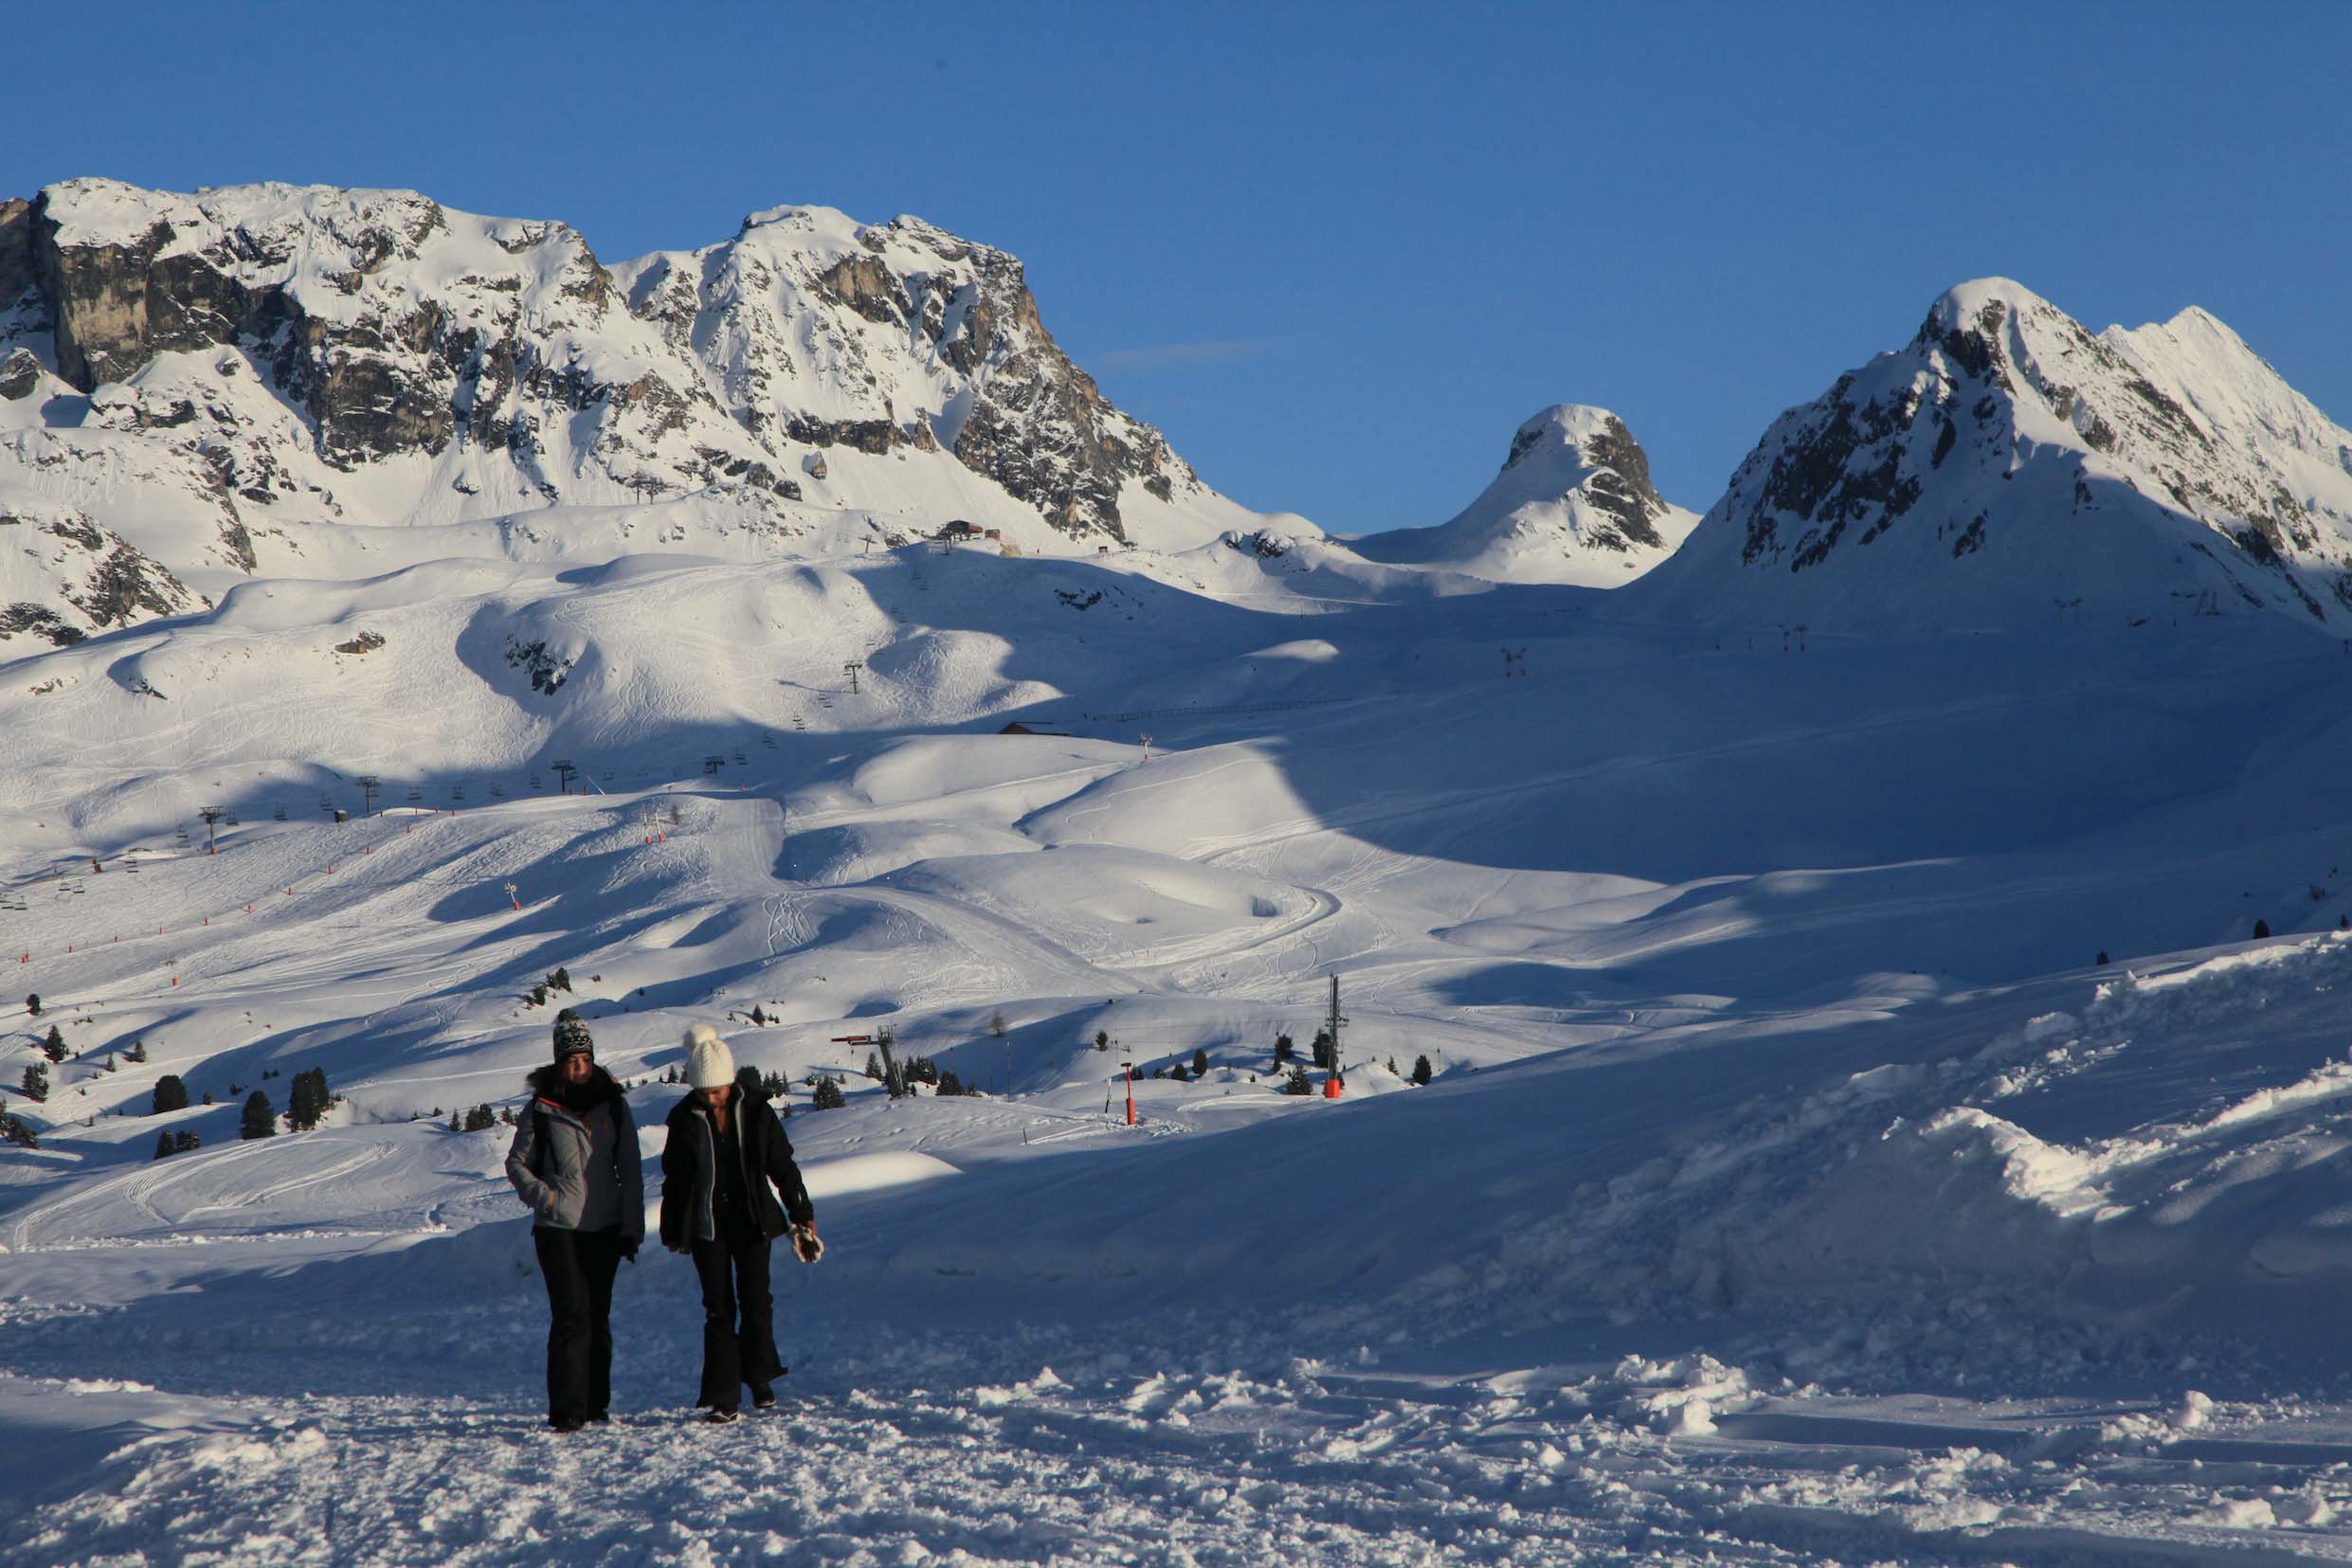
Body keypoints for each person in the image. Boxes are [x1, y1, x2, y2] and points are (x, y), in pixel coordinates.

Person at [660, 1022, 821, 1423]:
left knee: (756, 1302)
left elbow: (782, 1166)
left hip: (753, 1224)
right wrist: (672, 1229)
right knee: (718, 1310)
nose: (711, 1098)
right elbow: (675, 1180)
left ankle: (759, 1375)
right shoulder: (683, 1119)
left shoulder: (757, 1113)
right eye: (704, 1091)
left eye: (716, 1090)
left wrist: (801, 1215)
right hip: (707, 1228)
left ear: (730, 1083)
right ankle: (724, 1398)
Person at [505, 1009, 644, 1433]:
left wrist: (632, 1227)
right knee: (571, 1317)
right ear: (559, 1062)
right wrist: (544, 1199)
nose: (580, 1066)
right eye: (571, 1060)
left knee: (598, 1318)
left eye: (584, 1058)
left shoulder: (614, 1107)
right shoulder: (541, 1109)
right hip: (558, 1228)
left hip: (604, 1227)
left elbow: (632, 1171)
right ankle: (567, 1410)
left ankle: (596, 1404)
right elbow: (517, 1164)